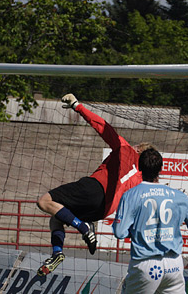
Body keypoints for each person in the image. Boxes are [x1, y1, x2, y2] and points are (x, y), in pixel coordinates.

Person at [36, 93, 153, 276]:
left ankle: (83, 227)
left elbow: (102, 127)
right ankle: (57, 253)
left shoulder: (126, 149)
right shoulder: (140, 180)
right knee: (57, 216)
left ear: (139, 149)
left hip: (94, 189)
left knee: (44, 201)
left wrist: (77, 106)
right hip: (104, 210)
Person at [113, 148, 188, 293]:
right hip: (174, 264)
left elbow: (119, 232)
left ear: (140, 168)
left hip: (145, 264)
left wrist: (138, 229)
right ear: (161, 169)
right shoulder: (178, 196)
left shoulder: (130, 195)